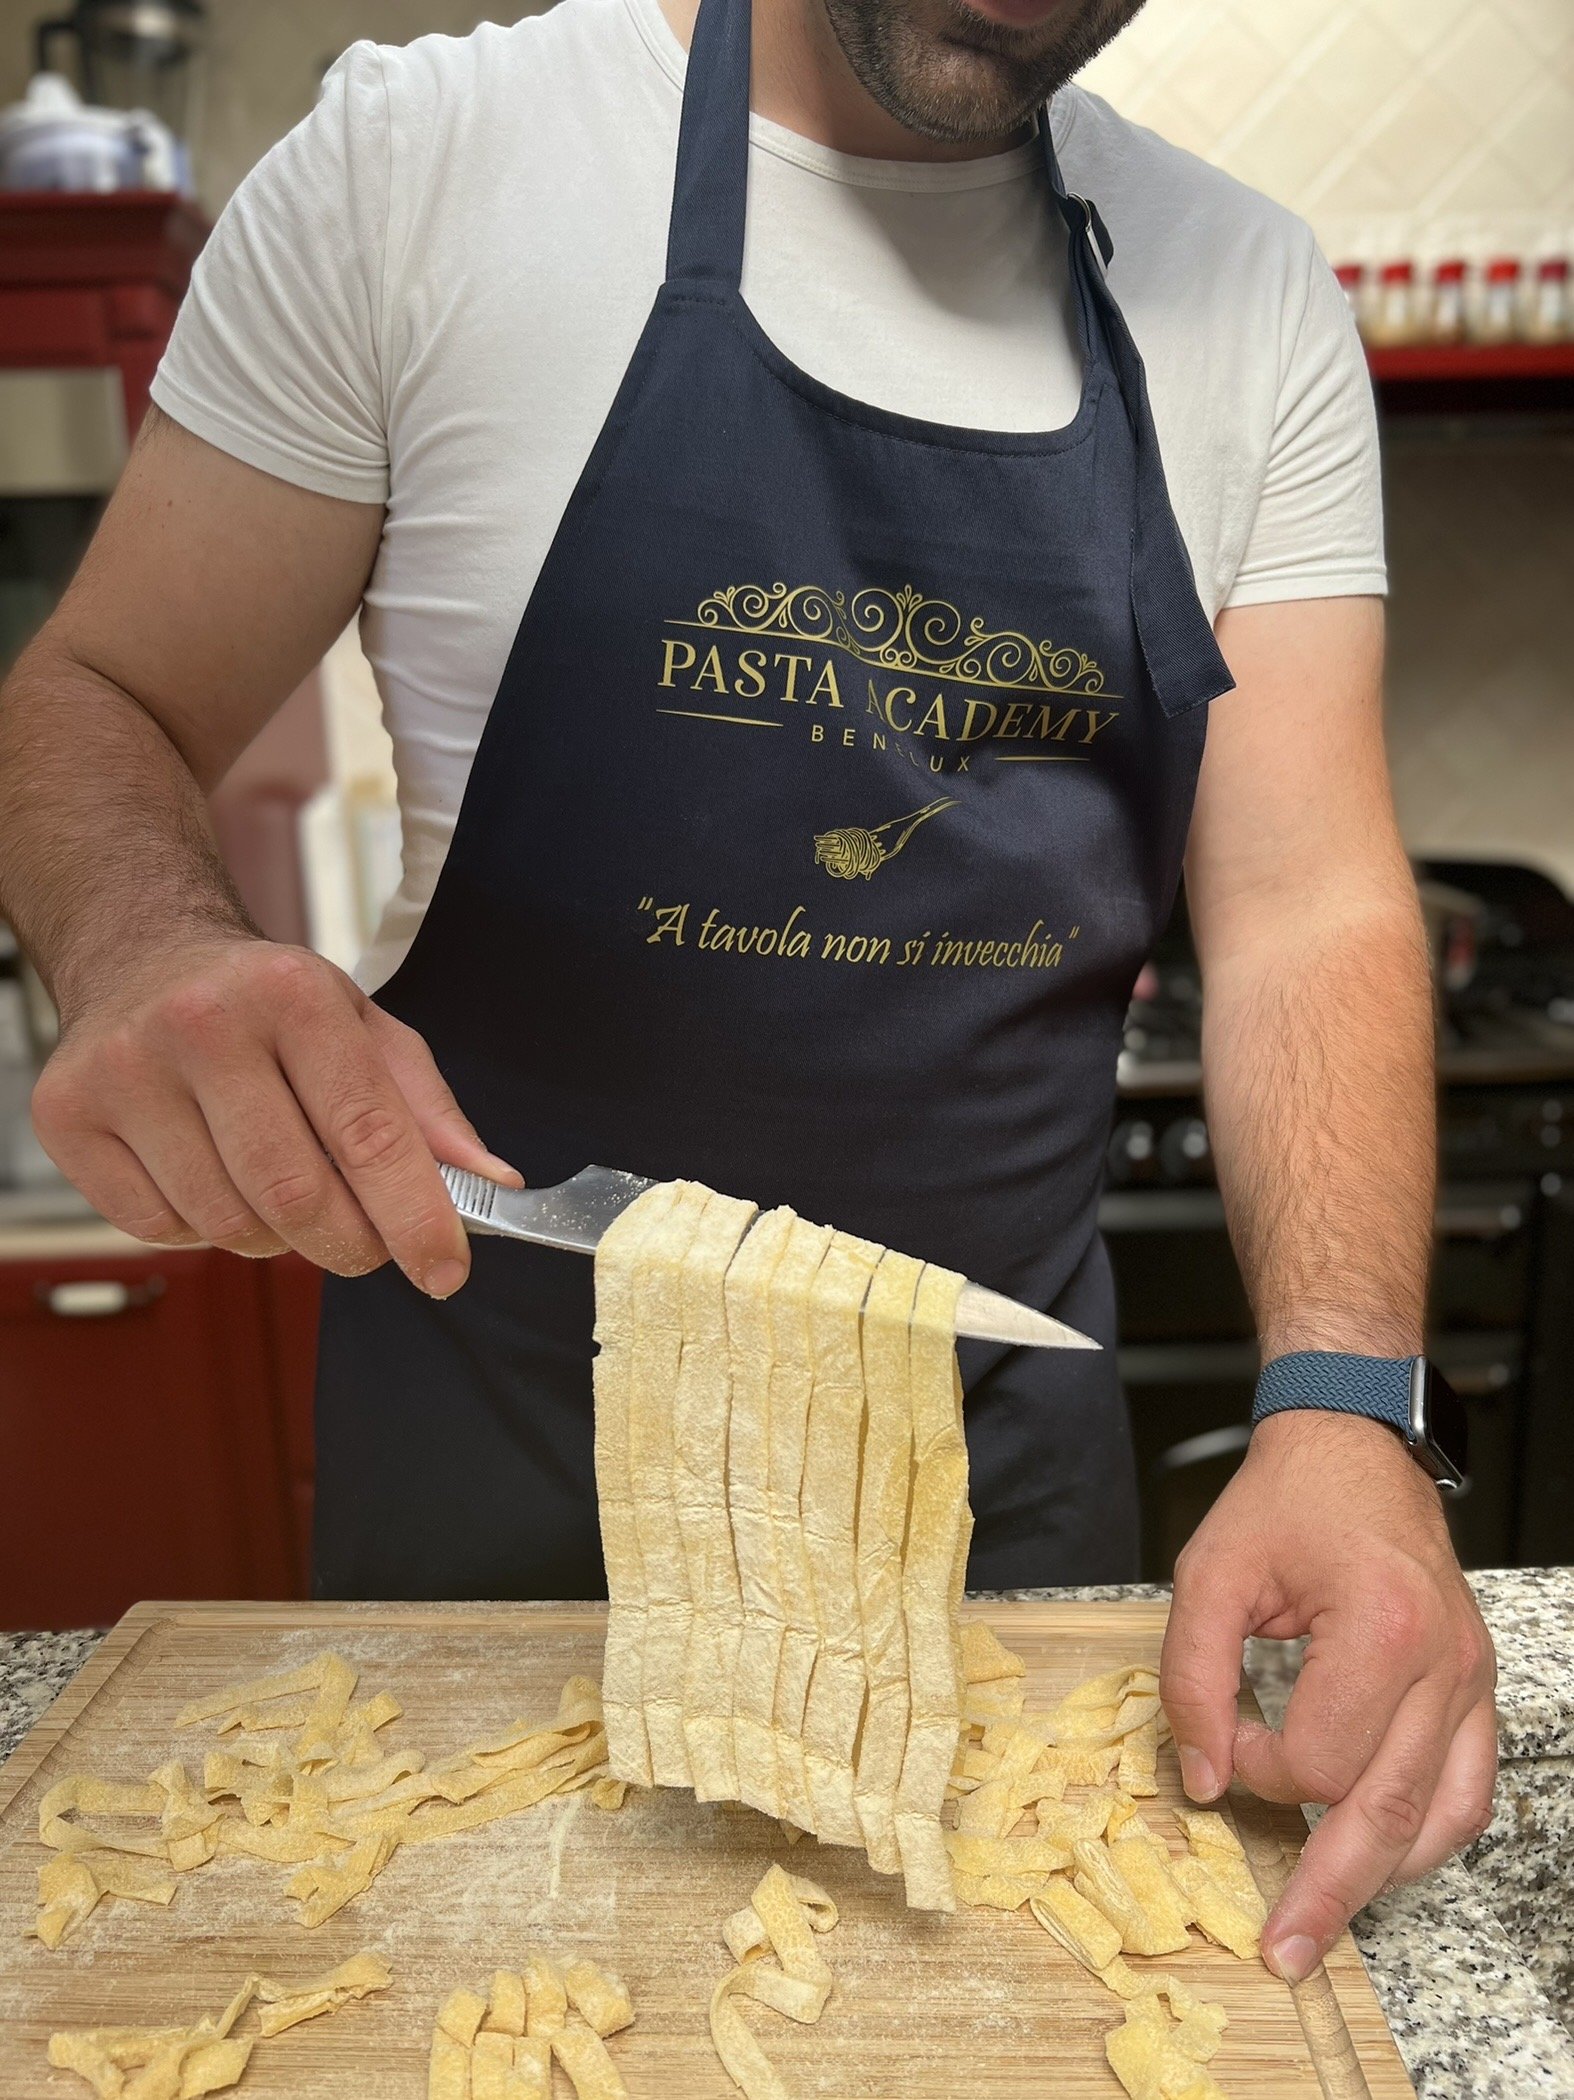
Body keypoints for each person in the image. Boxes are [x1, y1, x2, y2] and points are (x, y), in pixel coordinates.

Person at [0, 0, 1495, 1986]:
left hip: (985, 1468)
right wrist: (145, 940)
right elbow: (96, 697)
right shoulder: (423, 168)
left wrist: (1341, 1397)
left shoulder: (1244, 293)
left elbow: (1308, 900)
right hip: (508, 1453)